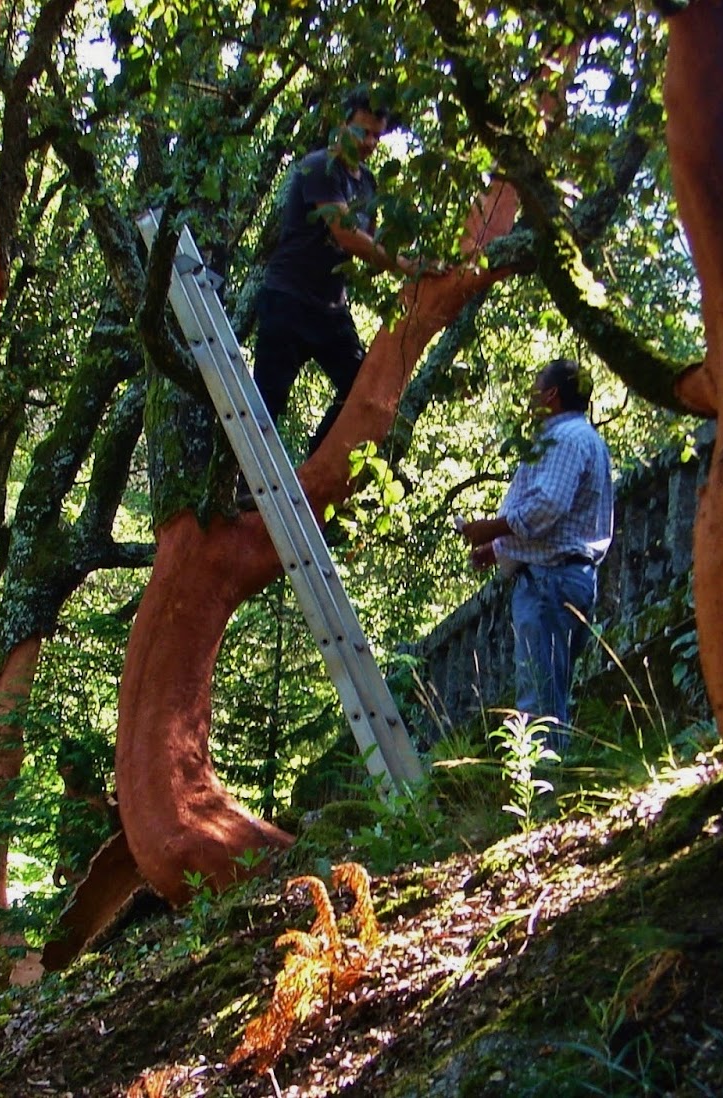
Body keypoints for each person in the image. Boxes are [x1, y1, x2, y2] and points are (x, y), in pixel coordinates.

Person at [252, 92, 420, 460]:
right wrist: (404, 263)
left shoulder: (369, 184)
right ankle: (246, 483)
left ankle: (314, 467)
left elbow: (372, 246)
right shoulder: (320, 167)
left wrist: (413, 254)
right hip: (288, 300)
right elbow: (346, 234)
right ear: (341, 125)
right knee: (266, 404)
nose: (370, 142)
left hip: (330, 310)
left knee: (361, 387)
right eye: (363, 131)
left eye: (377, 135)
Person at [458, 358, 615, 754]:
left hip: (550, 583)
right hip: (567, 578)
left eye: (535, 387)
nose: (530, 396)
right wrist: (497, 549)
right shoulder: (585, 439)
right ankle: (555, 776)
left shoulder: (564, 439)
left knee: (539, 701)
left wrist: (491, 528)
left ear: (551, 395)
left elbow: (548, 506)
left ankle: (543, 784)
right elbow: (562, 522)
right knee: (551, 692)